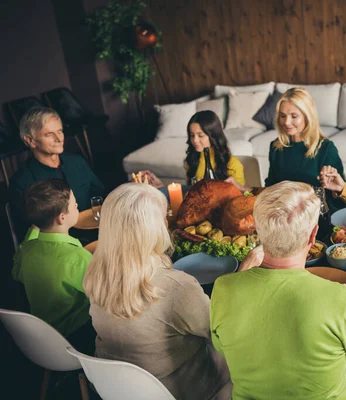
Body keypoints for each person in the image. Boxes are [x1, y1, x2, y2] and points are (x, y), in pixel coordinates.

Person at [210, 181, 346, 399]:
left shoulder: (223, 288)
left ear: (258, 231)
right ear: (313, 235)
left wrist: (240, 277)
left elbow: (221, 346)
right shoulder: (338, 297)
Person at [83, 183, 231, 400]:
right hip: (177, 391)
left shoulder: (96, 275)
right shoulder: (177, 287)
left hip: (115, 390)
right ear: (153, 229)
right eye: (163, 219)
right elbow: (221, 333)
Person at [12, 179, 95, 354]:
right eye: (74, 204)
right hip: (76, 337)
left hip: (42, 337)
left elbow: (16, 274)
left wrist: (34, 229)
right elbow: (104, 297)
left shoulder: (27, 249)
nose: (78, 205)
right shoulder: (77, 258)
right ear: (62, 217)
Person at [230, 87, 346, 213]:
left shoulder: (326, 149)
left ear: (308, 117)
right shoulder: (276, 147)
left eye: (294, 116)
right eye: (282, 116)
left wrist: (336, 190)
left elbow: (340, 201)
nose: (286, 122)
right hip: (283, 216)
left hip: (316, 218)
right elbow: (271, 190)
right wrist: (241, 188)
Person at [9, 107, 105, 240]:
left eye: (60, 131)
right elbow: (27, 236)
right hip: (60, 250)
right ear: (30, 141)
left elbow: (102, 196)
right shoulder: (21, 182)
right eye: (49, 134)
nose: (59, 139)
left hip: (99, 235)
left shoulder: (77, 162)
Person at [142, 110, 245, 190]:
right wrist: (161, 186)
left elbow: (241, 198)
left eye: (200, 135)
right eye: (192, 135)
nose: (194, 140)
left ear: (213, 136)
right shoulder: (192, 160)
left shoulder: (233, 165)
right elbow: (190, 193)